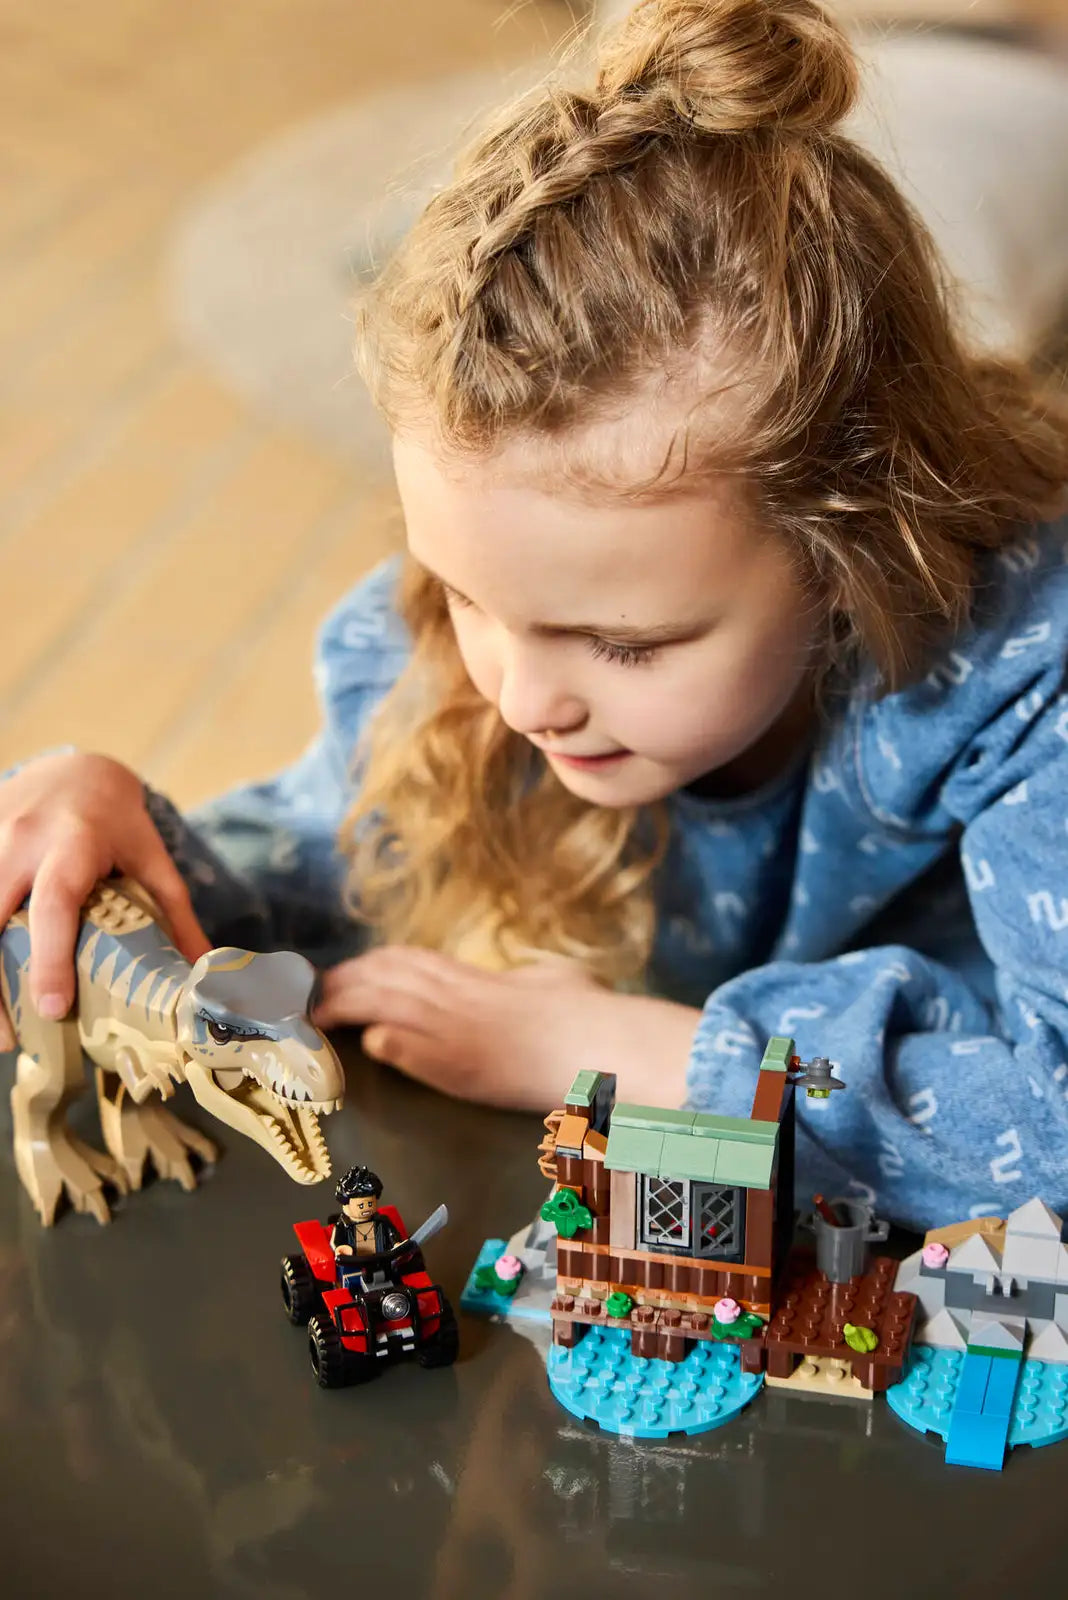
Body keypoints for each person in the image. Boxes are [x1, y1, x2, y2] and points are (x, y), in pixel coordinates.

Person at [2, 0, 1067, 1231]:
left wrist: (608, 1048)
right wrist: (114, 829)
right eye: (465, 595)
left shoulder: (1022, 662)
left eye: (626, 643)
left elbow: (1044, 1127)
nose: (518, 696)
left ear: (851, 539)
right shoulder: (461, 654)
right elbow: (288, 894)